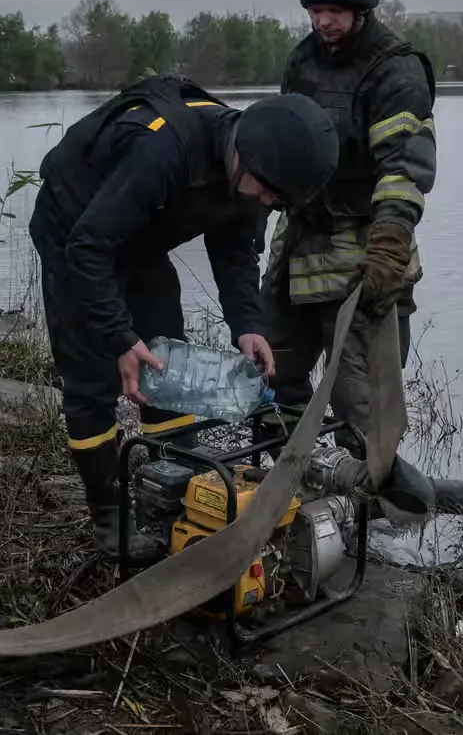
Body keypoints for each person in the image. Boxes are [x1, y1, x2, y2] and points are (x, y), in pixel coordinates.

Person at [28, 76, 339, 557]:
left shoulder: (260, 175)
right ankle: (109, 520)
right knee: (92, 378)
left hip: (141, 237)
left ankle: (171, 490)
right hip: (74, 231)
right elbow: (88, 247)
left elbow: (236, 251)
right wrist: (118, 338)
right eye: (264, 194)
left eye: (275, 202)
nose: (265, 204)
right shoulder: (163, 150)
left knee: (166, 369)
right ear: (242, 154)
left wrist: (248, 325)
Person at [256, 0, 438, 515]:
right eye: (313, 10)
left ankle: (379, 514)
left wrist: (386, 252)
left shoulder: (397, 70)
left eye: (332, 11)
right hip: (298, 249)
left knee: (364, 411)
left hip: (365, 257)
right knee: (274, 377)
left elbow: (404, 173)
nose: (322, 21)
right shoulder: (302, 60)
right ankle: (293, 498)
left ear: (362, 7)